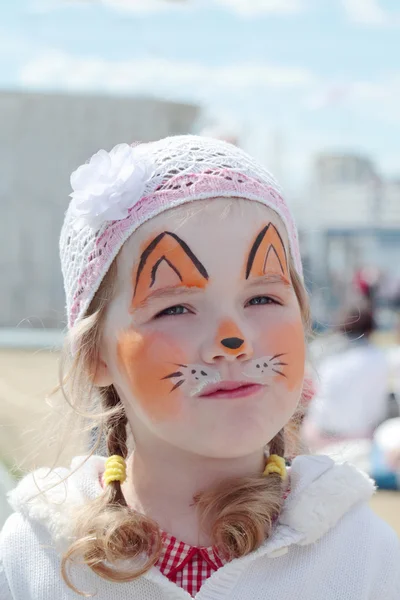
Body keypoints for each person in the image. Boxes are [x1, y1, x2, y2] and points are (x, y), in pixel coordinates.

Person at [0, 136, 399, 599]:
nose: (234, 341)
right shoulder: (36, 555)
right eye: (175, 309)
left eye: (263, 298)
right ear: (95, 354)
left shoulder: (362, 556)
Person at [303, 304, 389, 451]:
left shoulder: (321, 351)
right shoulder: (379, 357)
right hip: (364, 437)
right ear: (370, 329)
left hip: (322, 436)